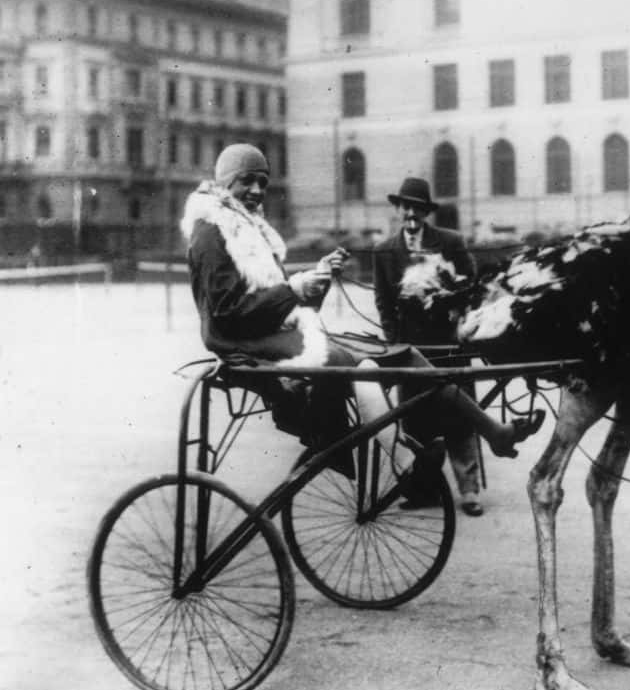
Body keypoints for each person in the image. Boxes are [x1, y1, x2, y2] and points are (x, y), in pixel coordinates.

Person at [181, 144, 543, 489]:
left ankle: (491, 431)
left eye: (263, 181)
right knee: (345, 361)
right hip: (238, 341)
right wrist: (294, 288)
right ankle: (394, 457)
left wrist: (315, 278)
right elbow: (229, 313)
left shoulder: (248, 227)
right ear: (225, 180)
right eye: (248, 180)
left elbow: (277, 302)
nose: (258, 190)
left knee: (402, 354)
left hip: (274, 331)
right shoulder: (212, 229)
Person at [373, 177, 486, 516]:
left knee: (460, 415)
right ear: (398, 210)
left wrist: (455, 315)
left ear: (425, 212)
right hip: (411, 347)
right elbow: (383, 302)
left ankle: (469, 491)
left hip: (449, 342)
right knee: (414, 419)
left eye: (417, 208)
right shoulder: (385, 250)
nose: (411, 213)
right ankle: (425, 489)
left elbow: (472, 287)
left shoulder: (450, 242)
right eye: (405, 207)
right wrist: (395, 343)